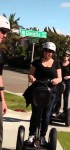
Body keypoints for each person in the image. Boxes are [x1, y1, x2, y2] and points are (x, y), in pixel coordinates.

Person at [23, 42, 62, 145]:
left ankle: (42, 136)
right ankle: (31, 135)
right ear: (43, 51)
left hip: (51, 91)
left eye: (50, 51)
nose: (47, 53)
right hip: (38, 90)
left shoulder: (56, 63)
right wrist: (31, 78)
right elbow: (30, 75)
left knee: (46, 115)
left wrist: (57, 81)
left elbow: (60, 77)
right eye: (46, 51)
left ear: (53, 53)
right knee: (36, 114)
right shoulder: (36, 62)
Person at [0, 15, 10, 149]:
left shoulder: (0, 55)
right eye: (2, 31)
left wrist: (3, 100)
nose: (5, 35)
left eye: (6, 32)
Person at [54, 51, 70, 116]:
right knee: (58, 97)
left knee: (65, 97)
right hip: (60, 82)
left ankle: (65, 112)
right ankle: (56, 111)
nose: (66, 57)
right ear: (63, 56)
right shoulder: (59, 64)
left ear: (69, 57)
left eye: (67, 56)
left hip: (67, 83)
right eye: (65, 55)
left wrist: (68, 77)